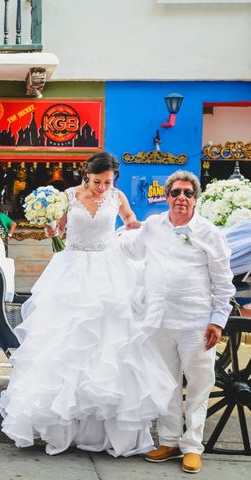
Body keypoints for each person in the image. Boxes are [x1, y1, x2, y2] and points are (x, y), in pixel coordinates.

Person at [0, 151, 176, 457]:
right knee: (66, 343)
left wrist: (135, 225)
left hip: (109, 269)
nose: (102, 188)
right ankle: (62, 425)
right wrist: (51, 230)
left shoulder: (117, 196)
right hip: (71, 269)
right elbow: (59, 230)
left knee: (111, 341)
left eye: (107, 182)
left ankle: (106, 430)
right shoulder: (67, 196)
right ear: (86, 175)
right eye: (97, 182)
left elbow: (129, 218)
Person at [120, 170, 234, 474]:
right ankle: (169, 441)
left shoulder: (209, 232)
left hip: (196, 321)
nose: (181, 198)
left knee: (198, 384)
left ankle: (193, 446)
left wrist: (218, 320)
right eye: (175, 193)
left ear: (195, 199)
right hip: (157, 319)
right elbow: (129, 249)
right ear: (166, 196)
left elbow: (224, 282)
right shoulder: (154, 225)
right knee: (165, 383)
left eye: (187, 193)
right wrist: (100, 227)